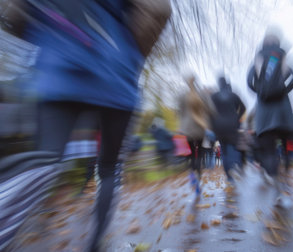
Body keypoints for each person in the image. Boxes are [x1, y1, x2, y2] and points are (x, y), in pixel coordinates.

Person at [0, 1, 171, 251]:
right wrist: (131, 52)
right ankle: (96, 242)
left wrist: (35, 33)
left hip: (58, 62)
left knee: (46, 160)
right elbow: (158, 9)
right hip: (115, 70)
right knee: (110, 168)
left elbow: (14, 12)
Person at [247, 30, 293, 206]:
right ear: (277, 42)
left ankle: (277, 189)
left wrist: (260, 92)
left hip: (265, 112)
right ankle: (286, 184)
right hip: (283, 110)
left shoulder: (258, 59)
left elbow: (249, 83)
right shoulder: (281, 56)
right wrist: (284, 90)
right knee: (286, 148)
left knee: (269, 151)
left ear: (263, 43)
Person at [178, 74, 214, 194]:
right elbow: (212, 110)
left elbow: (180, 113)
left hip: (186, 129)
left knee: (190, 155)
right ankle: (198, 177)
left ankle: (191, 173)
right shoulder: (203, 95)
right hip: (200, 128)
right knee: (199, 155)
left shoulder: (182, 96)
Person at [210, 76, 246, 182]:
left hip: (219, 126)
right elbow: (243, 108)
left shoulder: (214, 96)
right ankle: (234, 166)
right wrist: (237, 117)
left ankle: (229, 177)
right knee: (233, 147)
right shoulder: (234, 95)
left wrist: (213, 122)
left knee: (224, 151)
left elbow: (209, 111)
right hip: (232, 125)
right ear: (226, 83)